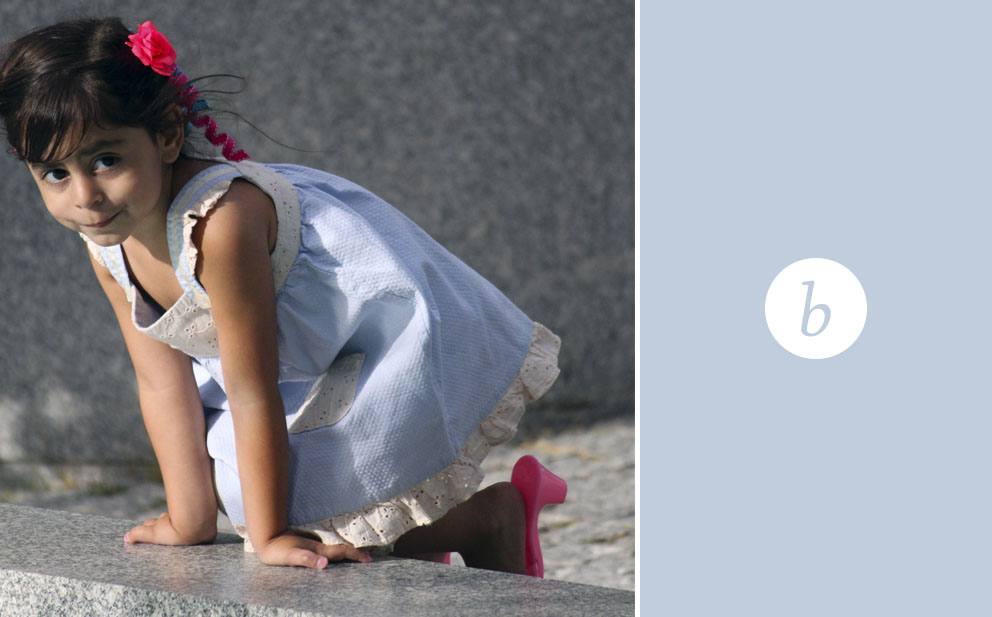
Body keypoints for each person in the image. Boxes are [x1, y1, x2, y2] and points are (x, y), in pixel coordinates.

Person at [0, 17, 565, 574]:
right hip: (296, 367)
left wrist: (269, 536)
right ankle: (431, 538)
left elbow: (252, 391)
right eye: (54, 173)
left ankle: (494, 518)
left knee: (290, 503)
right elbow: (160, 381)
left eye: (106, 160)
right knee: (237, 484)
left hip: (374, 334)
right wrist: (189, 520)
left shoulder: (219, 224)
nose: (86, 197)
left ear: (169, 135)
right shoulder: (106, 244)